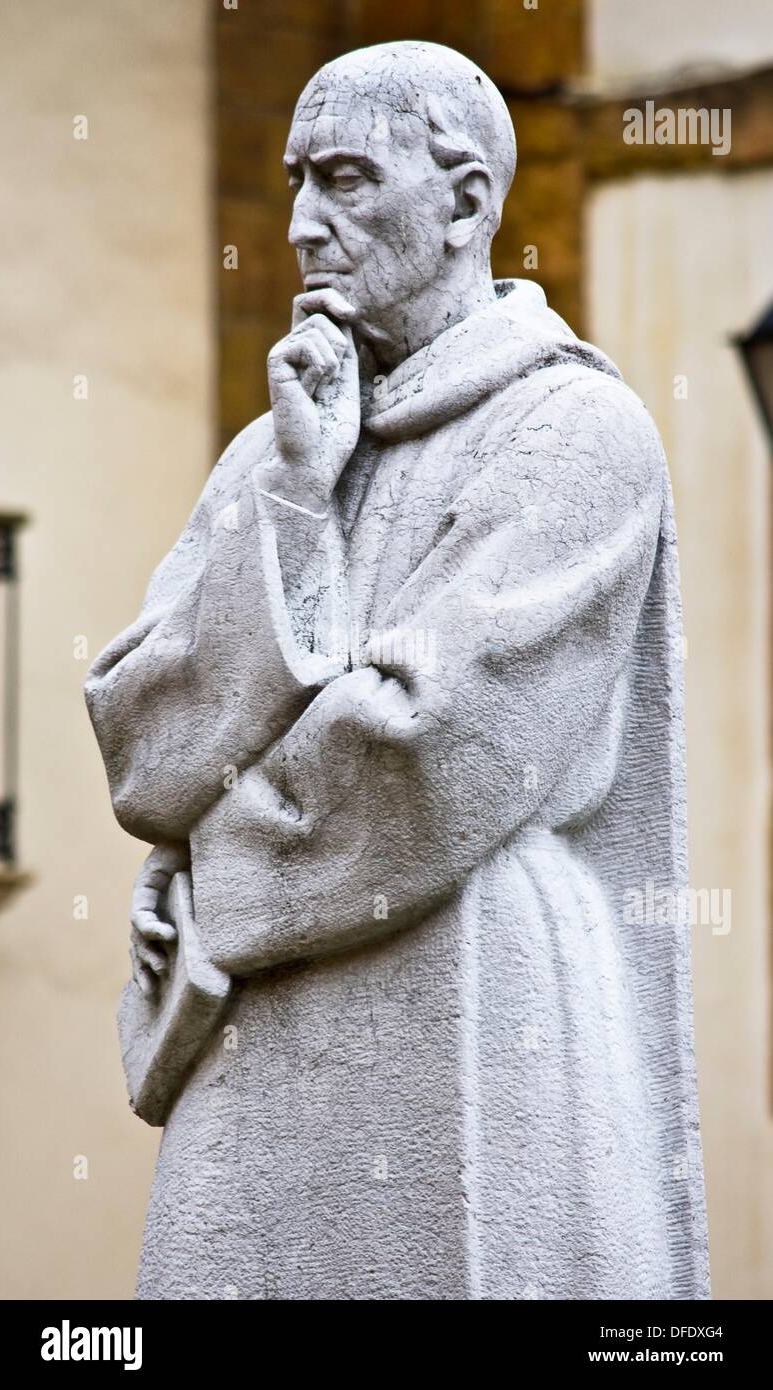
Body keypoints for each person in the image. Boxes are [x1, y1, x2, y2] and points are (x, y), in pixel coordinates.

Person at [86, 40, 711, 1300]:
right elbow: (141, 741)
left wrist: (207, 876)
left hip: (471, 989)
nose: (303, 223)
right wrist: (298, 500)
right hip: (260, 1033)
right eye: (294, 181)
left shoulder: (574, 432)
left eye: (347, 180)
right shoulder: (276, 444)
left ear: (466, 202)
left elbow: (425, 745)